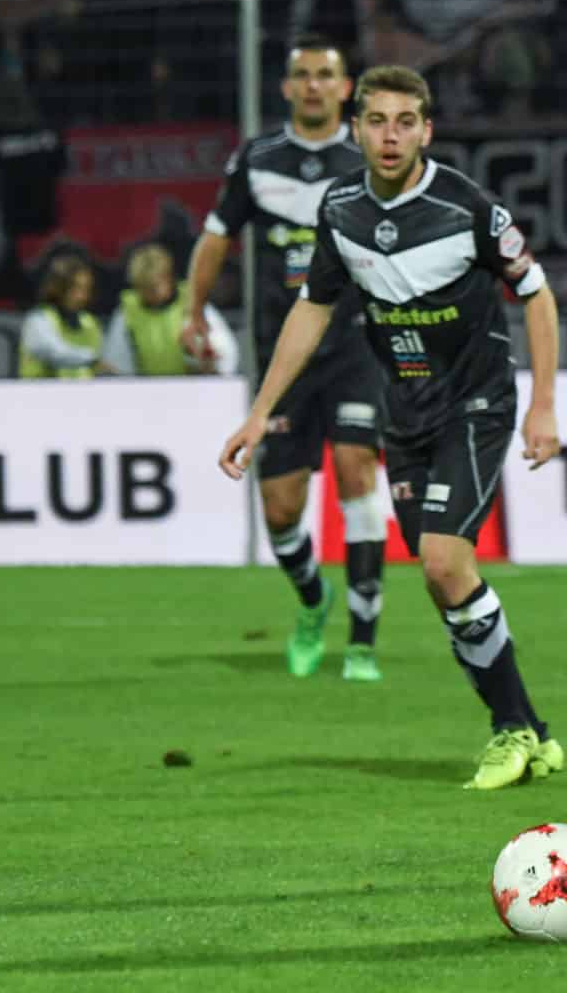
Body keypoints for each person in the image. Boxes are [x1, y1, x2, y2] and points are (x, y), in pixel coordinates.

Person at [217, 65, 565, 792]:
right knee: (445, 585)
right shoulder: (341, 209)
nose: (390, 135)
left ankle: (508, 731)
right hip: (403, 416)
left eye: (405, 121)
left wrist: (542, 405)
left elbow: (536, 295)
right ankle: (531, 727)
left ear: (426, 131)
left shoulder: (466, 207)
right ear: (357, 129)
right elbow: (312, 307)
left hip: (475, 404)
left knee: (443, 563)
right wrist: (258, 411)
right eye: (376, 121)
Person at [182, 34, 389, 683]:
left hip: (356, 342)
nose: (313, 85)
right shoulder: (258, 158)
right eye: (303, 75)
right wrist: (193, 311)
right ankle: (312, 599)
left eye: (325, 74)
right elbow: (216, 237)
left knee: (356, 468)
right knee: (279, 507)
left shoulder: (369, 157)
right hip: (283, 354)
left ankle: (362, 641)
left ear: (345, 87)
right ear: (286, 88)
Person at [102, 242, 237, 375]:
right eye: (142, 287)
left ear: (168, 278)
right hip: (145, 387)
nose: (148, 293)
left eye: (153, 287)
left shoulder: (193, 304)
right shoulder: (127, 312)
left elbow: (225, 356)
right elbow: (117, 365)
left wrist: (209, 361)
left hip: (192, 385)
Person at [18, 251, 114, 377]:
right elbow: (53, 351)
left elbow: (103, 364)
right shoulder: (38, 320)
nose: (82, 296)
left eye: (86, 289)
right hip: (42, 390)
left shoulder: (90, 323)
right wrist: (91, 359)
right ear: (57, 287)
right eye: (75, 288)